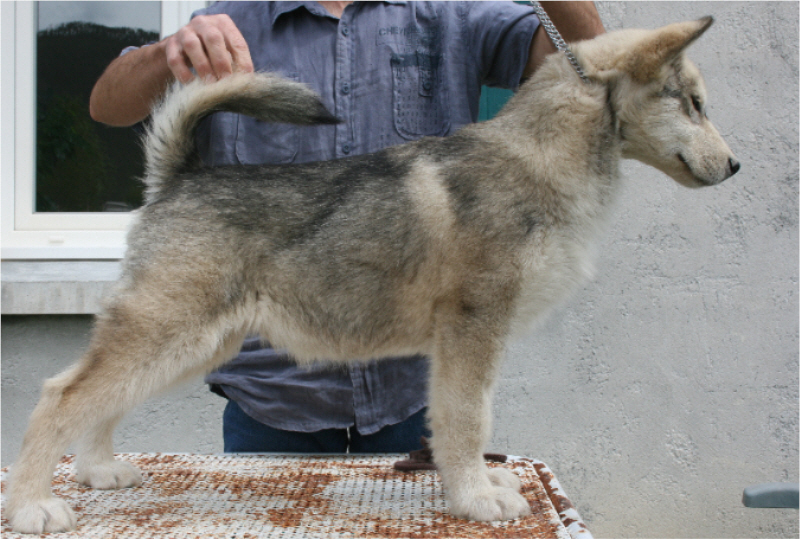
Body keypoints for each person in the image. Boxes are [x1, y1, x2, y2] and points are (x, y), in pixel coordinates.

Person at [89, 1, 604, 454]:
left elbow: (592, 60)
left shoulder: (453, 12)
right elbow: (107, 105)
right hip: (275, 397)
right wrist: (169, 53)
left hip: (416, 394)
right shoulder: (237, 19)